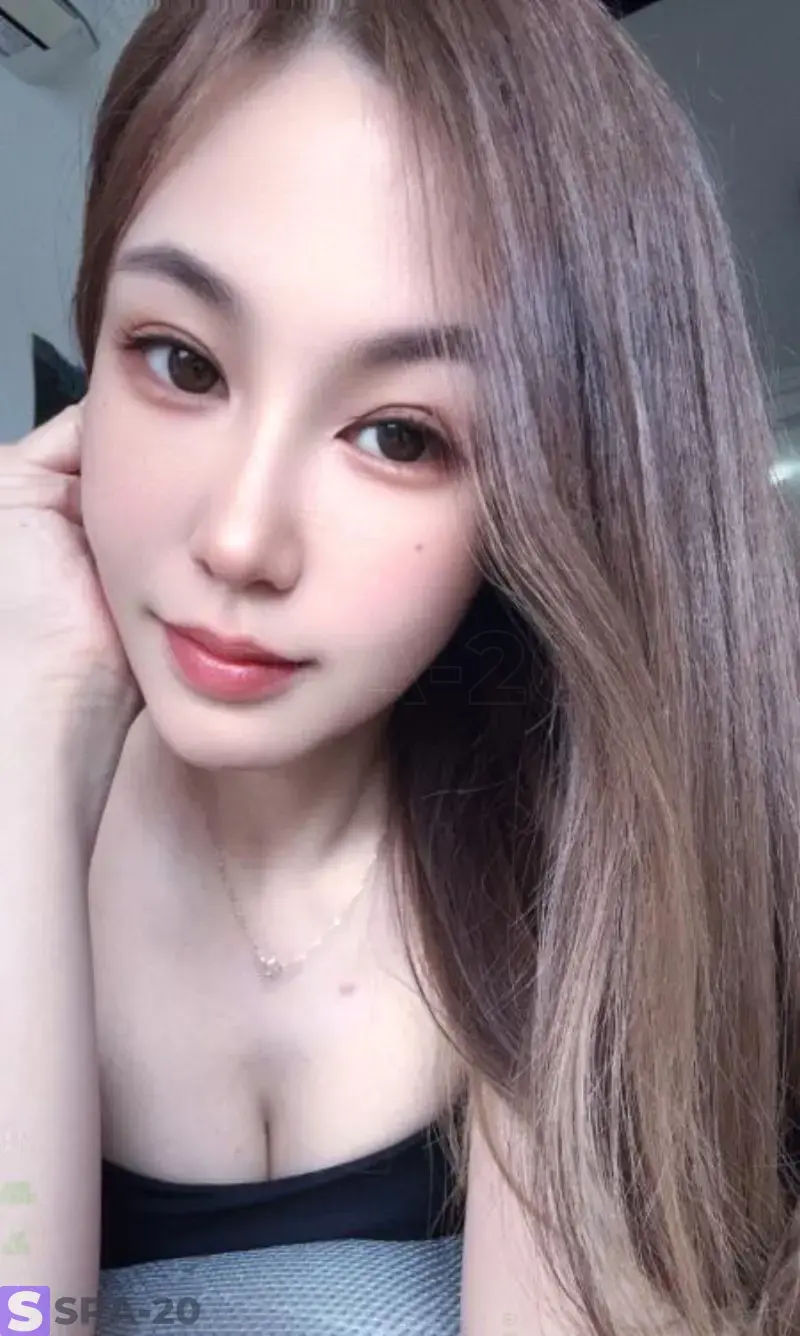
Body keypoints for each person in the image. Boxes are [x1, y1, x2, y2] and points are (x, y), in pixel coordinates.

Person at [3, 0, 800, 1332]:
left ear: (543, 500)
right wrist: (26, 749)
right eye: (180, 361)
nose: (241, 536)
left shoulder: (585, 858)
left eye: (400, 437)